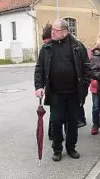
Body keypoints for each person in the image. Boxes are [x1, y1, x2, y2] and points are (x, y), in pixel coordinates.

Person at [34, 19, 91, 161]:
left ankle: (71, 147)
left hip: (74, 93)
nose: (52, 32)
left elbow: (86, 68)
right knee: (56, 121)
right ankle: (57, 148)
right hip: (55, 93)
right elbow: (39, 69)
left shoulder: (77, 46)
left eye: (56, 30)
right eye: (52, 29)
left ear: (65, 32)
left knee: (72, 122)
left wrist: (84, 85)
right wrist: (39, 86)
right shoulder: (47, 48)